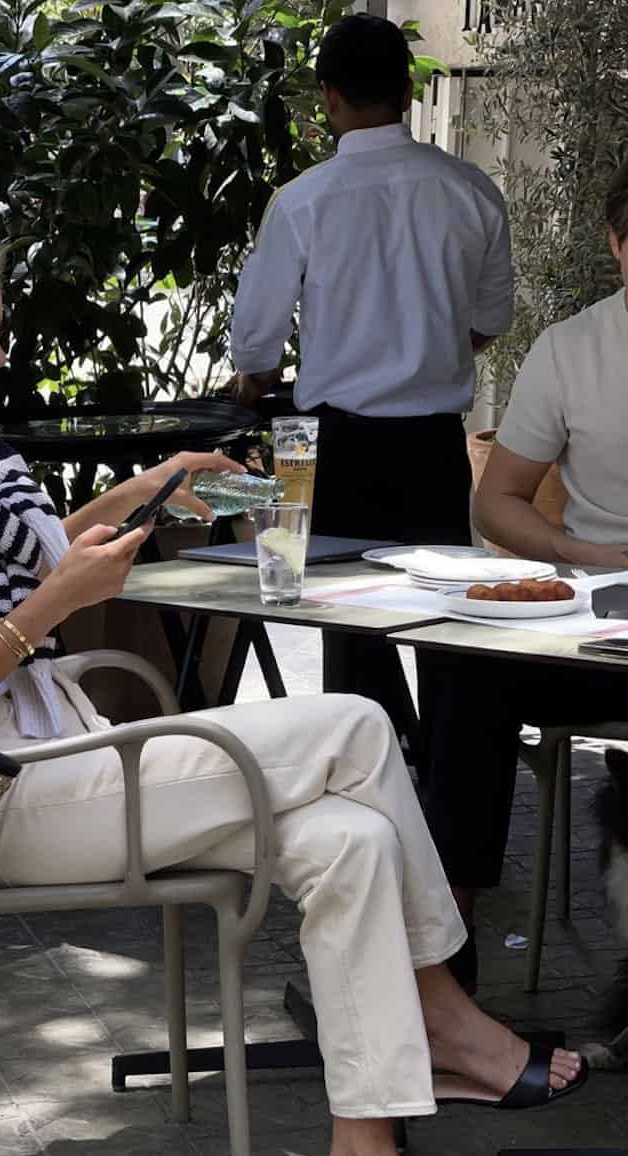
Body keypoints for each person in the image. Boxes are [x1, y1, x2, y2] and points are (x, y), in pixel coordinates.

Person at [0, 214, 583, 1156]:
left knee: (350, 841)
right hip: (1, 793)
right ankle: (447, 1016)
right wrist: (48, 606)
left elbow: (31, 547)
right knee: (359, 724)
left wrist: (151, 490)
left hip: (68, 751)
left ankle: (365, 1152)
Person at [229, 13, 514, 753]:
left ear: (328, 98)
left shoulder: (302, 200)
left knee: (347, 622)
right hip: (431, 444)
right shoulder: (471, 191)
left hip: (332, 445)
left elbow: (256, 342)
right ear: (407, 92)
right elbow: (490, 317)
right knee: (449, 621)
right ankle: (454, 795)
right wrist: (429, 347)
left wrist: (256, 380)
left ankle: (379, 768)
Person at [418, 155, 628, 991]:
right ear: (618, 246)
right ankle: (449, 939)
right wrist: (582, 553)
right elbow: (497, 501)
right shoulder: (574, 349)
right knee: (469, 675)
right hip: (596, 624)